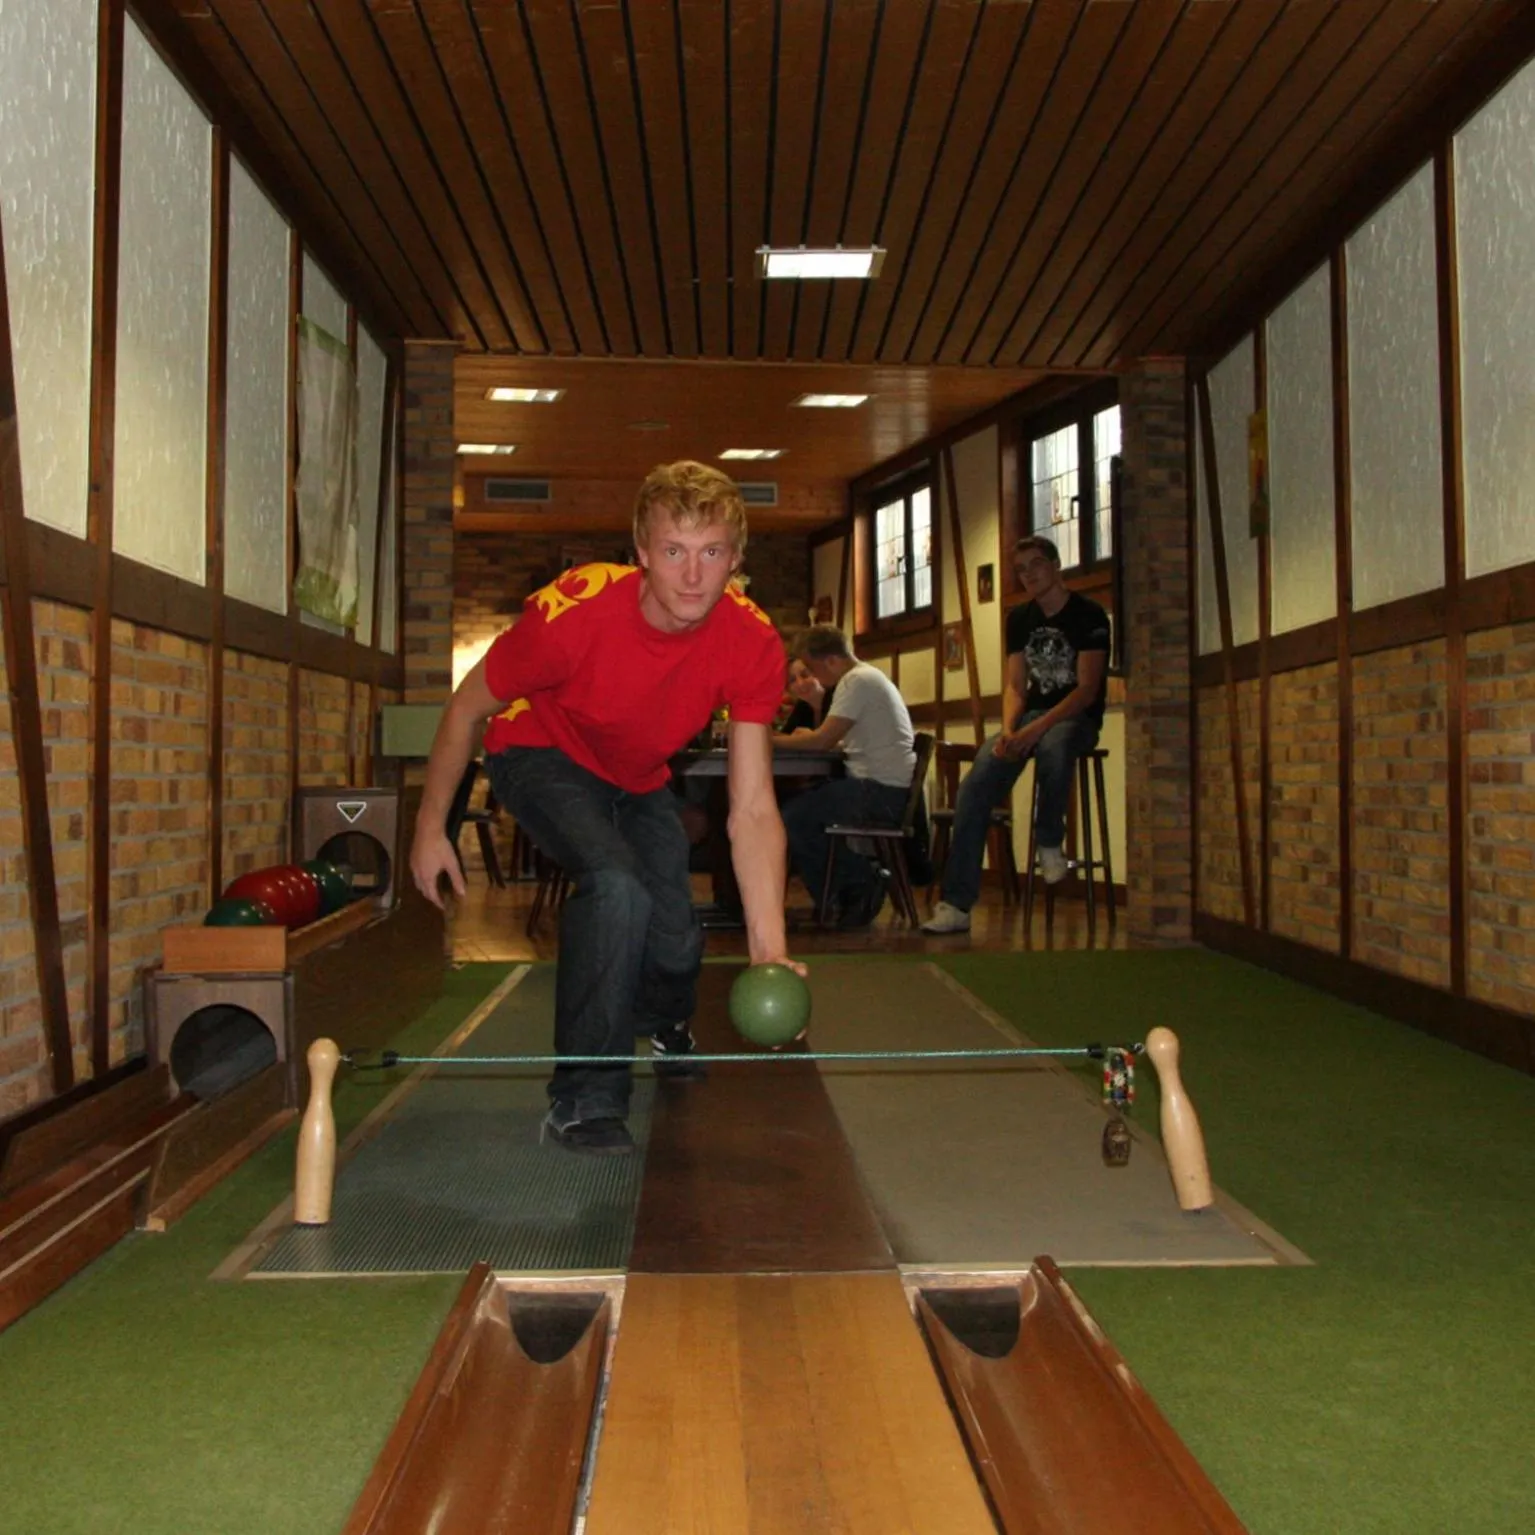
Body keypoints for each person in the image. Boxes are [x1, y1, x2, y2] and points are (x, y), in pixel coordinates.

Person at [409, 461, 800, 1155]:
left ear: (735, 560)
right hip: (538, 748)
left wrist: (769, 951)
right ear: (641, 553)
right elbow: (466, 708)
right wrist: (430, 827)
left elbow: (751, 806)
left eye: (710, 552)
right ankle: (584, 1099)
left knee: (676, 932)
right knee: (615, 885)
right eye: (673, 552)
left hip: (635, 773)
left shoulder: (751, 640)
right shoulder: (572, 614)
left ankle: (662, 1021)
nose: (691, 575)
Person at [923, 534, 1110, 935]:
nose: (1029, 575)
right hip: (1029, 719)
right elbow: (1015, 687)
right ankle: (956, 904)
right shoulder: (1019, 619)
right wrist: (1009, 731)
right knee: (977, 781)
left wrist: (1037, 730)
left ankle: (1048, 840)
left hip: (1074, 720)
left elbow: (1086, 690)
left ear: (1056, 564)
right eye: (1021, 570)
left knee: (1055, 746)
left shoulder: (1089, 615)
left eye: (1036, 565)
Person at [774, 625, 916, 929]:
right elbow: (842, 740)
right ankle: (846, 891)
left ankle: (860, 882)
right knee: (800, 810)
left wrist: (766, 739)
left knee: (792, 818)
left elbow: (821, 742)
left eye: (811, 668)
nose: (813, 676)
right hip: (887, 789)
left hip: (880, 793)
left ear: (831, 661)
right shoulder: (867, 677)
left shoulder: (855, 682)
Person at [777, 656, 826, 734]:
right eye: (792, 680)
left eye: (805, 675)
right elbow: (784, 735)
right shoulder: (802, 705)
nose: (800, 683)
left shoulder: (837, 697)